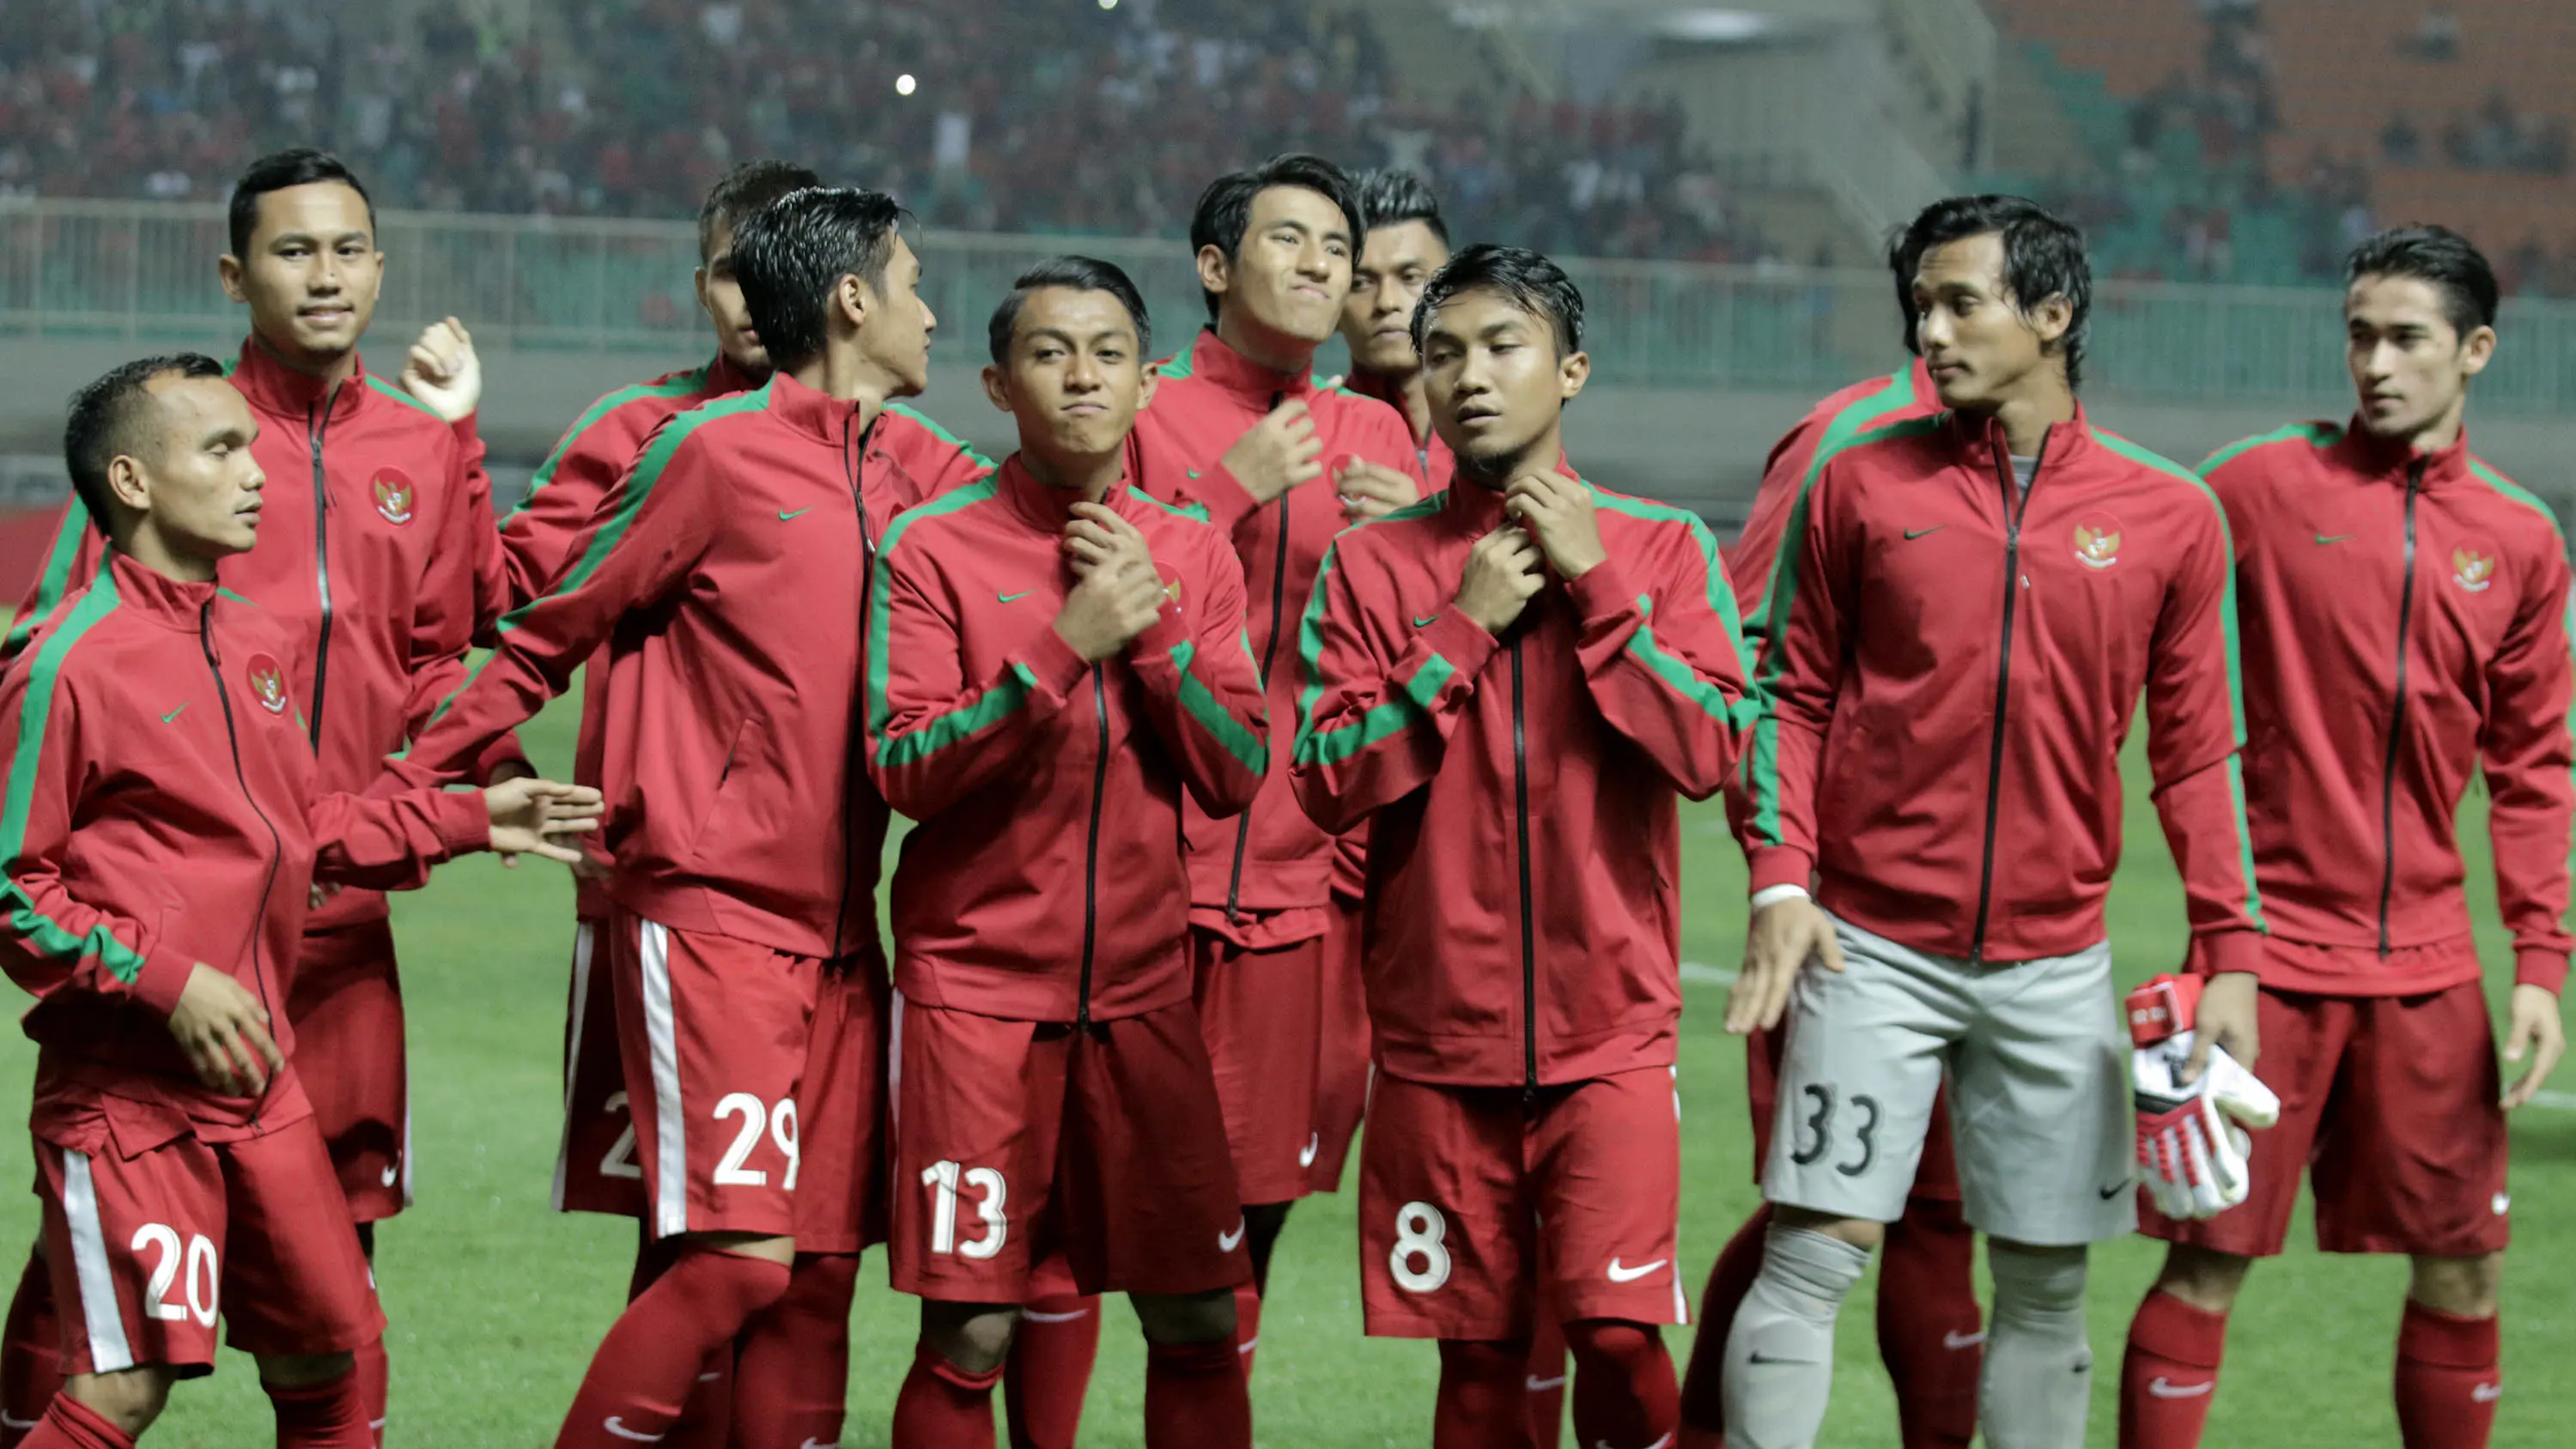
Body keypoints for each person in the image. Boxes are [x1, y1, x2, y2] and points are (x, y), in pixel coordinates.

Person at [366, 185, 939, 1449]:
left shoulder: (917, 466)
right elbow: (537, 632)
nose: (932, 309)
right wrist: (399, 788)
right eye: (912, 281)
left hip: (852, 937)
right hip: (712, 911)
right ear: (854, 301)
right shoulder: (707, 450)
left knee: (820, 1275)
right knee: (734, 1262)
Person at [1720, 195, 2263, 1449]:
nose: (1934, 331)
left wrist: (2231, 951)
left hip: (2057, 963)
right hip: (1868, 949)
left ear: (2054, 315)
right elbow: (1787, 697)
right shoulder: (1857, 482)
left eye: (1962, 303)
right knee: (1815, 1255)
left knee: (2046, 1283)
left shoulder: (2173, 515)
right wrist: (1781, 881)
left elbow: (2197, 754)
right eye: (1922, 306)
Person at [0, 147, 521, 1447]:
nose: (327, 274)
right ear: (236, 274)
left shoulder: (396, 470)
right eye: (295, 250)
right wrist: (162, 966)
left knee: (331, 1312)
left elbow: (453, 646)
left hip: (324, 951)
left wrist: (465, 807)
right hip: (160, 984)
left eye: (349, 248)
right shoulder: (157, 478)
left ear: (382, 267)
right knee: (112, 1335)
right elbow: (57, 673)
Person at [980, 154, 1420, 1439]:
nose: (1320, 267)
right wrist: (1228, 492)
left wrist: (1421, 532)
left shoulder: (1382, 437)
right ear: (1217, 267)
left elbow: (1405, 657)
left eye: (1337, 249)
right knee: (1060, 1228)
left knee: (1239, 1240)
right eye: (1289, 240)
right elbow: (1077, 586)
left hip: (1300, 890)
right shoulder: (1137, 404)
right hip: (1138, 886)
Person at [1291, 243, 1753, 1449]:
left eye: (1503, 347)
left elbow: (1710, 753)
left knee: (1613, 1330)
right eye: (1444, 355)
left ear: (1573, 371)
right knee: (1480, 1358)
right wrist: (1458, 632)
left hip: (1611, 1031)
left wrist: (1597, 588)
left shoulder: (1659, 549)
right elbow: (1328, 782)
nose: (1471, 377)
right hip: (1439, 1041)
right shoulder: (1369, 566)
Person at [2117, 227, 2569, 1449]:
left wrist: (2539, 961)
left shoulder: (2521, 538)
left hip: (2431, 973)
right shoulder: (2257, 486)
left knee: (2465, 1269)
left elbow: (2535, 769)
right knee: (2206, 1269)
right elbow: (2122, 586)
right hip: (2263, 968)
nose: (2375, 363)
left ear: (2474, 351)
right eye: (2359, 335)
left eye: (2407, 338)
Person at [869, 255, 1268, 1449]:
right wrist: (1058, 650)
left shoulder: (1191, 552)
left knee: (1199, 1312)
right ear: (997, 385)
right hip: (975, 1004)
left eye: (1105, 352)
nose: (1080, 374)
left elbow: (1236, 770)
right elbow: (905, 771)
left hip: (1146, 1000)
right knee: (972, 1334)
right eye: (1049, 352)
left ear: (1149, 382)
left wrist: (1149, 648)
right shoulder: (933, 546)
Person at [1680, 239, 1974, 1449]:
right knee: (1836, 1212)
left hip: (2005, 923)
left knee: (1934, 1211)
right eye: (1940, 295)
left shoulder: (2045, 449)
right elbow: (1756, 662)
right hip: (1855, 915)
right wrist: (1782, 873)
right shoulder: (1845, 444)